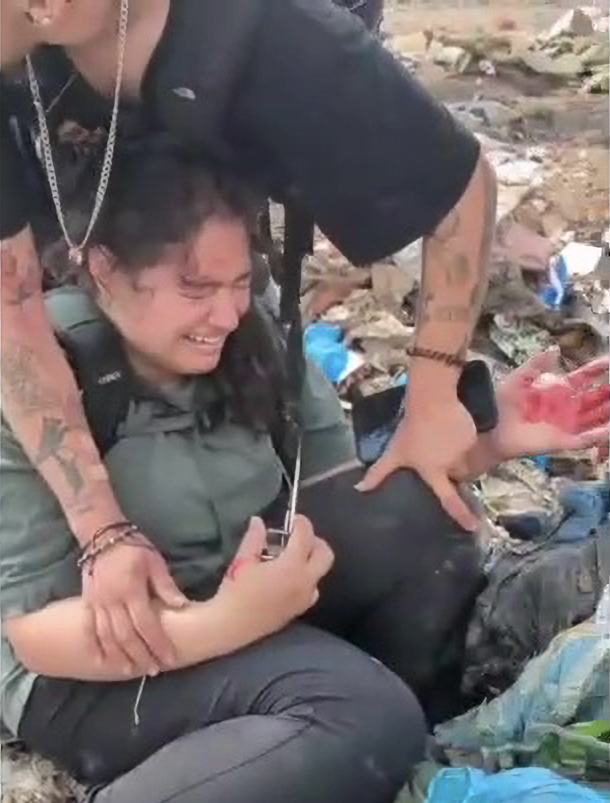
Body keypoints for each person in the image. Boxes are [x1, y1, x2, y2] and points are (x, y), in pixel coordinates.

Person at [1, 144, 607, 803]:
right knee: (363, 719)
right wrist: (229, 622)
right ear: (106, 268)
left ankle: (333, 747)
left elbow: (339, 494)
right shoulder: (35, 380)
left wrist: (484, 443)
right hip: (94, 670)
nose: (225, 312)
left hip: (243, 599)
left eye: (239, 283)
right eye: (195, 288)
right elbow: (36, 639)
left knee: (416, 519)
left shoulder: (251, 337)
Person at [1, 0, 498, 675]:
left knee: (403, 520)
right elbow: (12, 304)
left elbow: (456, 184)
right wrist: (103, 532)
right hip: (84, 300)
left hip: (188, 262)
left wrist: (437, 395)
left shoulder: (272, 38)